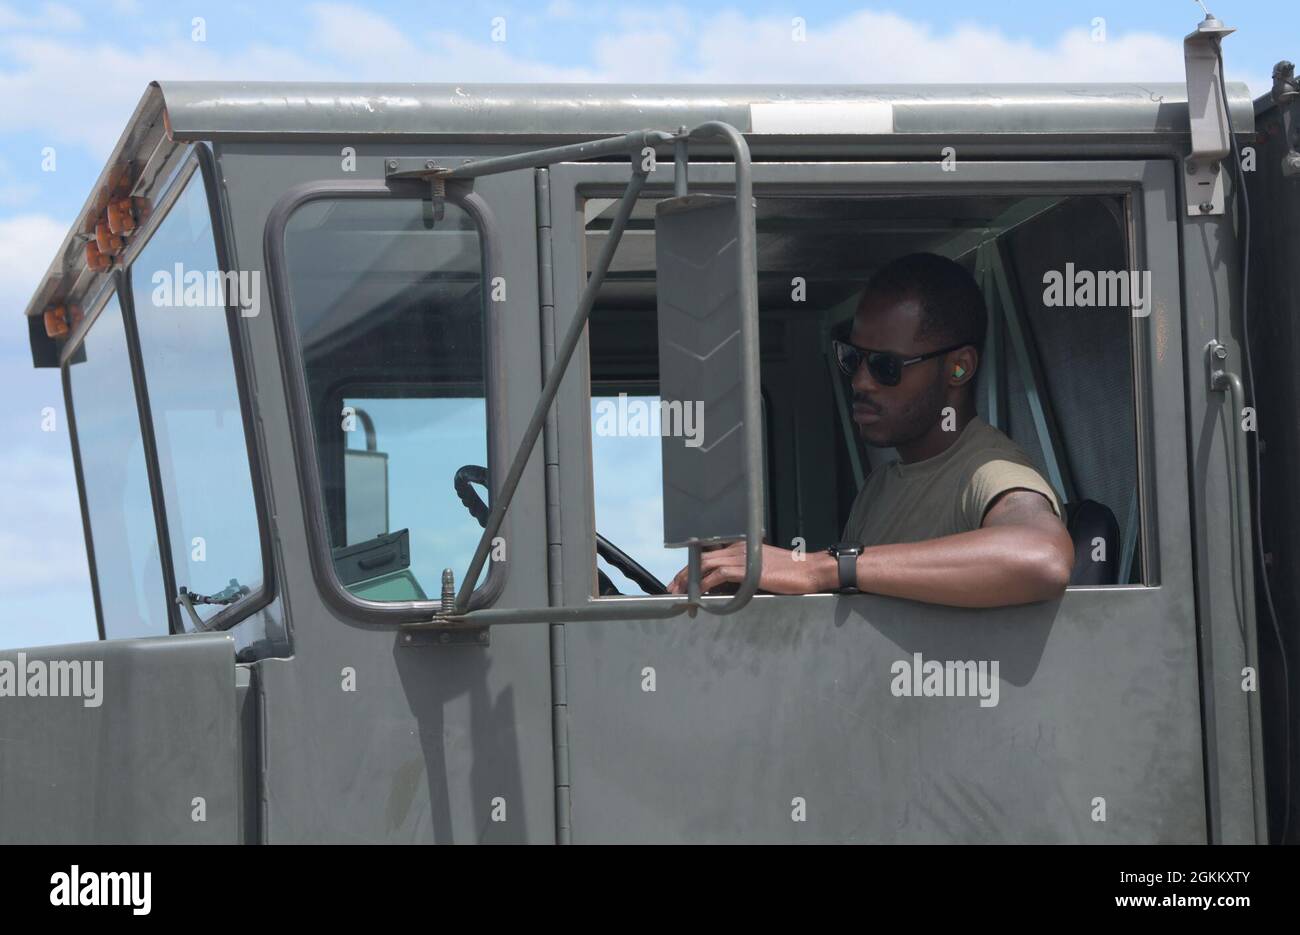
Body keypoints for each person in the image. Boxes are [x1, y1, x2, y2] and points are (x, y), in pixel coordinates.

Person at [666, 252, 1074, 608]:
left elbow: (1042, 558)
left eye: (885, 366)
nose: (860, 381)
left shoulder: (990, 473)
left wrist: (819, 568)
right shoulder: (883, 485)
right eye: (853, 358)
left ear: (958, 367)